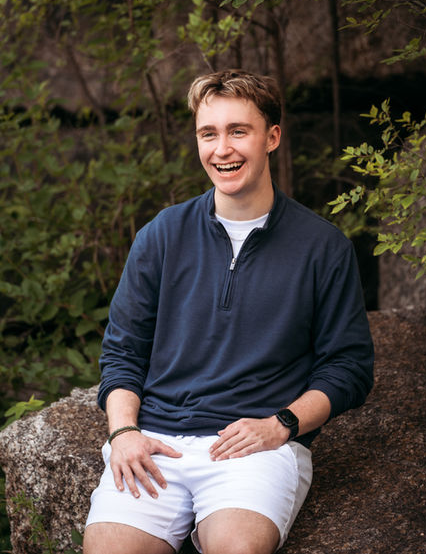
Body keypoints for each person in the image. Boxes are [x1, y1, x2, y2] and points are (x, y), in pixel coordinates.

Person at [83, 69, 374, 554]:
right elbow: (122, 352)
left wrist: (281, 423)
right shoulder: (162, 234)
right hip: (156, 441)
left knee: (236, 549)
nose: (223, 149)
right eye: (208, 133)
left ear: (272, 137)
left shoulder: (323, 247)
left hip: (253, 447)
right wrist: (125, 433)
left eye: (239, 131)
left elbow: (349, 368)